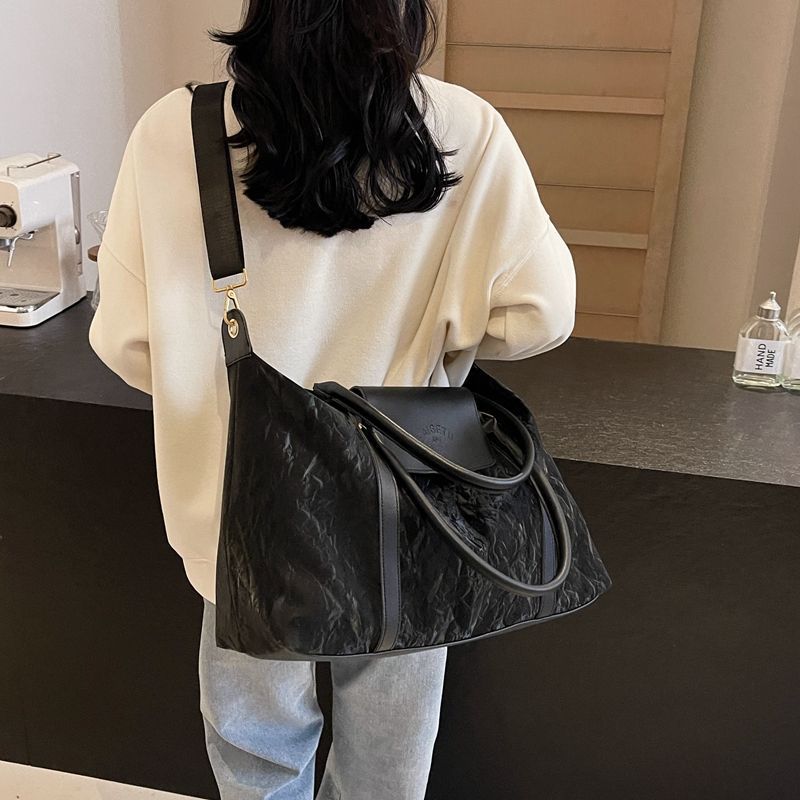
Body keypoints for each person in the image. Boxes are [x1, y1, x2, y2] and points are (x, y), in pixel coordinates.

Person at [87, 1, 577, 798]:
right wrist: (435, 336)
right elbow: (541, 315)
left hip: (242, 513)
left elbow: (127, 343)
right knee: (388, 763)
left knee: (257, 752)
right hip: (407, 502)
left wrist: (213, 384)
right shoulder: (462, 127)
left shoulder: (173, 131)